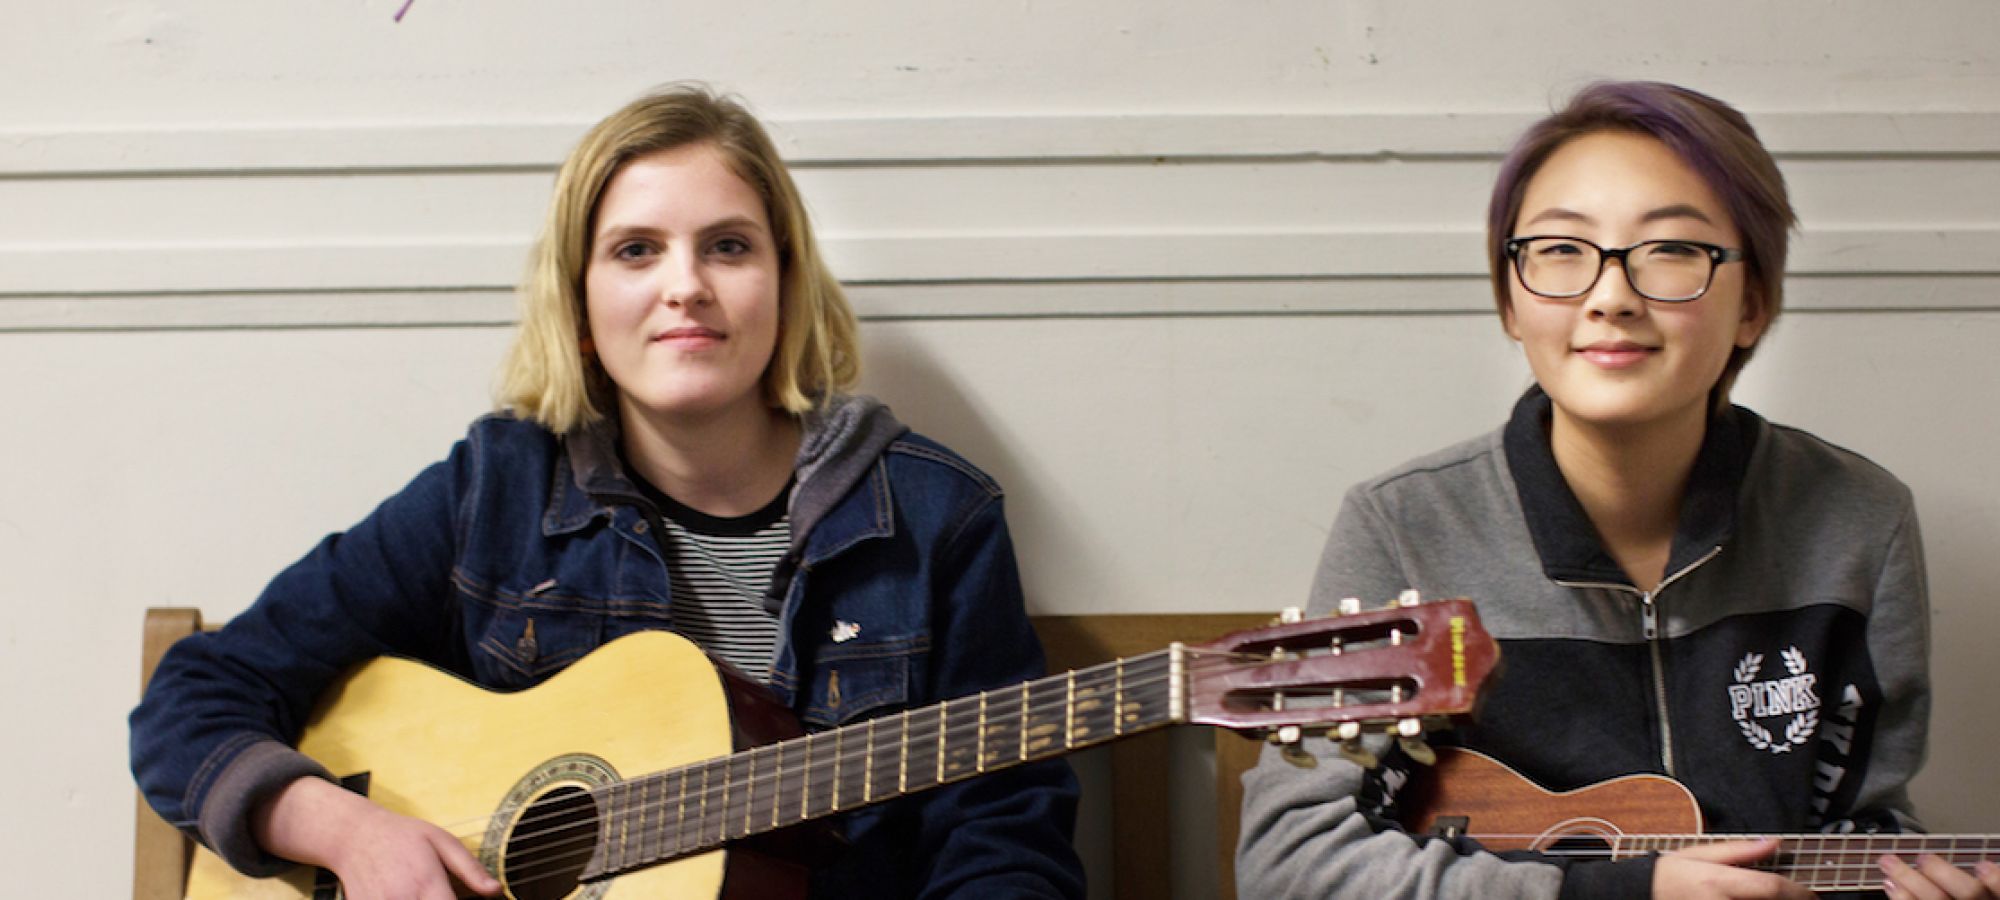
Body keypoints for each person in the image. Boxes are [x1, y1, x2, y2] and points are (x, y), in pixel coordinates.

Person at [130, 83, 1085, 900]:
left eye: (728, 246)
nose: (686, 286)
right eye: (636, 250)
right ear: (581, 307)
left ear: (786, 286)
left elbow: (1001, 833)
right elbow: (199, 693)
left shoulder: (933, 521)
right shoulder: (495, 494)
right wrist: (346, 831)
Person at [1237, 81, 2000, 899]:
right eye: (1562, 251)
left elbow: (1862, 827)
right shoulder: (1402, 526)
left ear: (1754, 303)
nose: (1610, 297)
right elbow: (1293, 865)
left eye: (1672, 250)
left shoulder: (1859, 520)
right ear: (1509, 300)